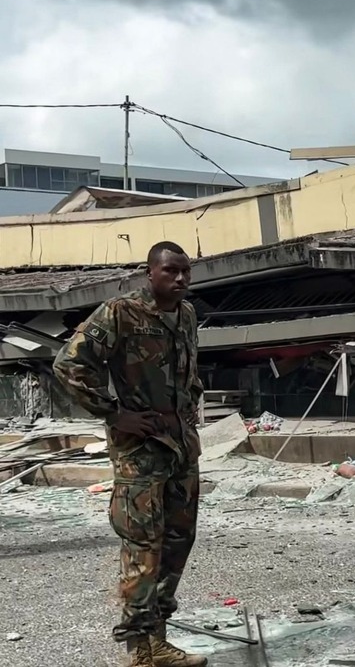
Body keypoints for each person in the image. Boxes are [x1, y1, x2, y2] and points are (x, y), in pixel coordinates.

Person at [54, 241, 206, 667]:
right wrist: (114, 414)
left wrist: (192, 404)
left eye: (185, 272)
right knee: (143, 547)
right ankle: (139, 650)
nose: (179, 279)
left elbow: (189, 370)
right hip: (140, 450)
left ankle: (159, 639)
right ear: (150, 272)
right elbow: (69, 365)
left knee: (178, 541)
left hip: (179, 446)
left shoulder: (187, 315)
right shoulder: (121, 312)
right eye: (170, 271)